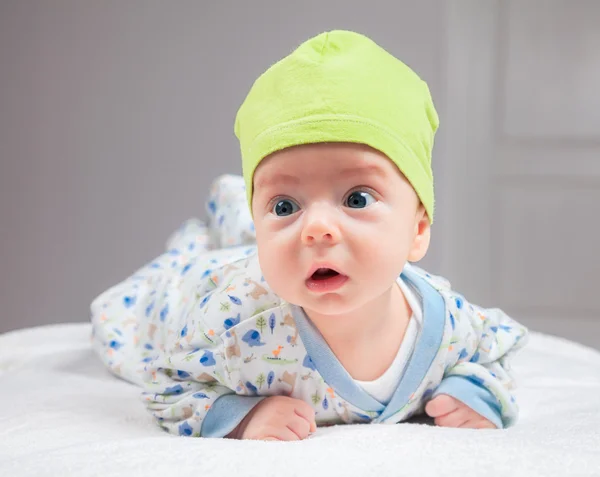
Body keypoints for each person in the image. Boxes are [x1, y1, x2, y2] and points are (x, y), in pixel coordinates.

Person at [90, 30, 528, 440]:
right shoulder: (231, 323)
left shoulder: (447, 321)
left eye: (357, 199)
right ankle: (222, 221)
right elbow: (166, 382)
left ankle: (241, 214)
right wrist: (240, 415)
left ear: (417, 230)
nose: (317, 227)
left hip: (258, 250)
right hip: (205, 278)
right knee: (146, 297)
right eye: (284, 206)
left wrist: (475, 394)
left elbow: (497, 352)